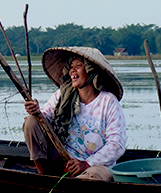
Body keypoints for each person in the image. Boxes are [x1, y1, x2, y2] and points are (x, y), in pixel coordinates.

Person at [23, 46, 126, 180]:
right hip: (64, 160)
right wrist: (36, 111)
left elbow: (117, 144)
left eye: (78, 66)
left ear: (91, 71)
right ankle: (44, 175)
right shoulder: (63, 95)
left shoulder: (108, 101)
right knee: (32, 121)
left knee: (93, 177)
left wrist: (86, 164)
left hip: (95, 166)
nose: (73, 70)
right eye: (71, 66)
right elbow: (43, 118)